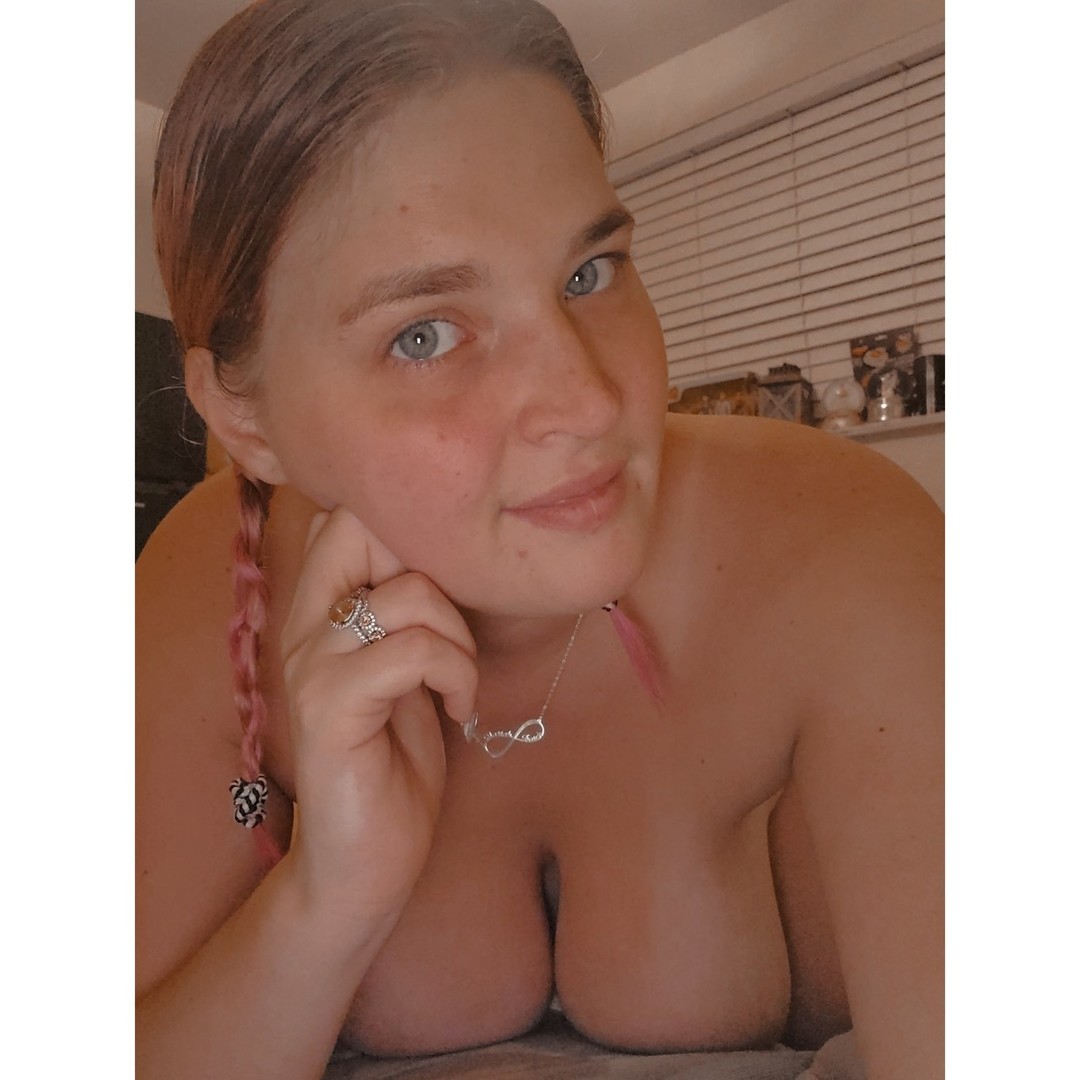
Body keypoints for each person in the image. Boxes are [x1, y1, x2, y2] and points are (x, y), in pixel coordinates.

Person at [135, 2, 944, 1078]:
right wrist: (324, 897)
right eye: (425, 334)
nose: (590, 400)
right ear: (246, 420)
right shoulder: (212, 590)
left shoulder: (843, 543)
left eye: (588, 274)